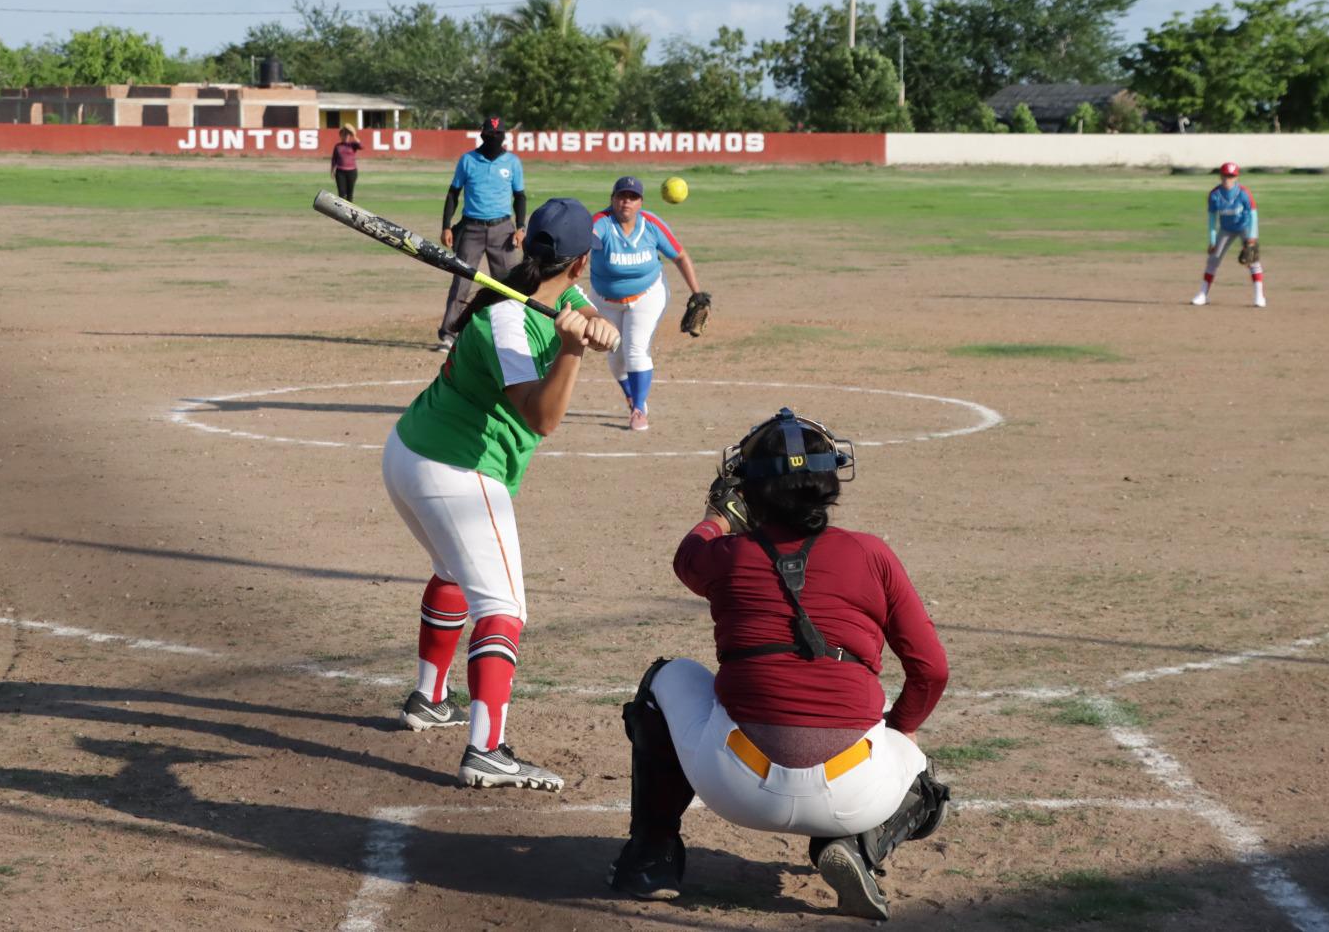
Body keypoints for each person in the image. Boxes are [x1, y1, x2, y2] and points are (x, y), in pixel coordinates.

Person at [609, 409, 950, 920]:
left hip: (735, 782)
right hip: (855, 789)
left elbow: (689, 555)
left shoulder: (726, 554)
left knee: (669, 676)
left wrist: (718, 517)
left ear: (748, 491)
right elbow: (932, 670)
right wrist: (899, 734)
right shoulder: (872, 554)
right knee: (924, 783)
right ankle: (860, 846)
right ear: (830, 483)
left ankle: (650, 858)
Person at [383, 197, 620, 791]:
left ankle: (429, 699)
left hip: (411, 453)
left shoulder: (540, 290)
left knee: (453, 571)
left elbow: (574, 304)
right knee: (504, 609)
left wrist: (594, 323)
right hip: (456, 471)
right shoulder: (508, 321)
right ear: (582, 260)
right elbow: (541, 418)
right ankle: (488, 750)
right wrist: (570, 351)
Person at [589, 176, 706, 431]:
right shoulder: (601, 224)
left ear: (640, 202)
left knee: (635, 349)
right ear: (612, 199)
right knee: (615, 354)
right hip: (605, 299)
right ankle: (631, 394)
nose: (626, 202)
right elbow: (581, 245)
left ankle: (639, 409)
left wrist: (697, 294)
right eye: (621, 196)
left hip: (647, 295)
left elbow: (680, 256)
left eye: (632, 197)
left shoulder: (651, 225)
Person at [437, 116, 527, 352]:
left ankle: (514, 330)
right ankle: (449, 334)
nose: (493, 138)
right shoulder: (468, 160)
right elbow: (453, 193)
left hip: (503, 229)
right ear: (482, 135)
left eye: (498, 135)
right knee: (461, 281)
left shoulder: (512, 162)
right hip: (471, 228)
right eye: (489, 134)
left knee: (508, 283)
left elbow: (520, 196)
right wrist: (447, 226)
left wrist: (521, 227)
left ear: (504, 136)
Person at [1191, 161, 1265, 308]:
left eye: (1231, 176)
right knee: (1213, 260)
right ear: (1220, 176)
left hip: (1245, 227)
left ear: (1236, 177)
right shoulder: (1215, 195)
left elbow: (1254, 215)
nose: (1227, 179)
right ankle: (1202, 294)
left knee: (1253, 260)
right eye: (1225, 175)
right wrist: (1212, 241)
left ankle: (1259, 296)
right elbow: (1212, 219)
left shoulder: (1244, 193)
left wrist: (1252, 237)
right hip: (1226, 229)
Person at [330, 124, 362, 202]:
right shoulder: (337, 146)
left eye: (347, 135)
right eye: (343, 135)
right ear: (340, 136)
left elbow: (361, 146)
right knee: (341, 194)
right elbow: (334, 159)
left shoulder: (353, 145)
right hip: (340, 172)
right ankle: (341, 213)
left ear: (349, 136)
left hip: (352, 172)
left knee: (350, 194)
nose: (345, 136)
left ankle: (350, 213)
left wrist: (354, 135)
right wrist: (332, 170)